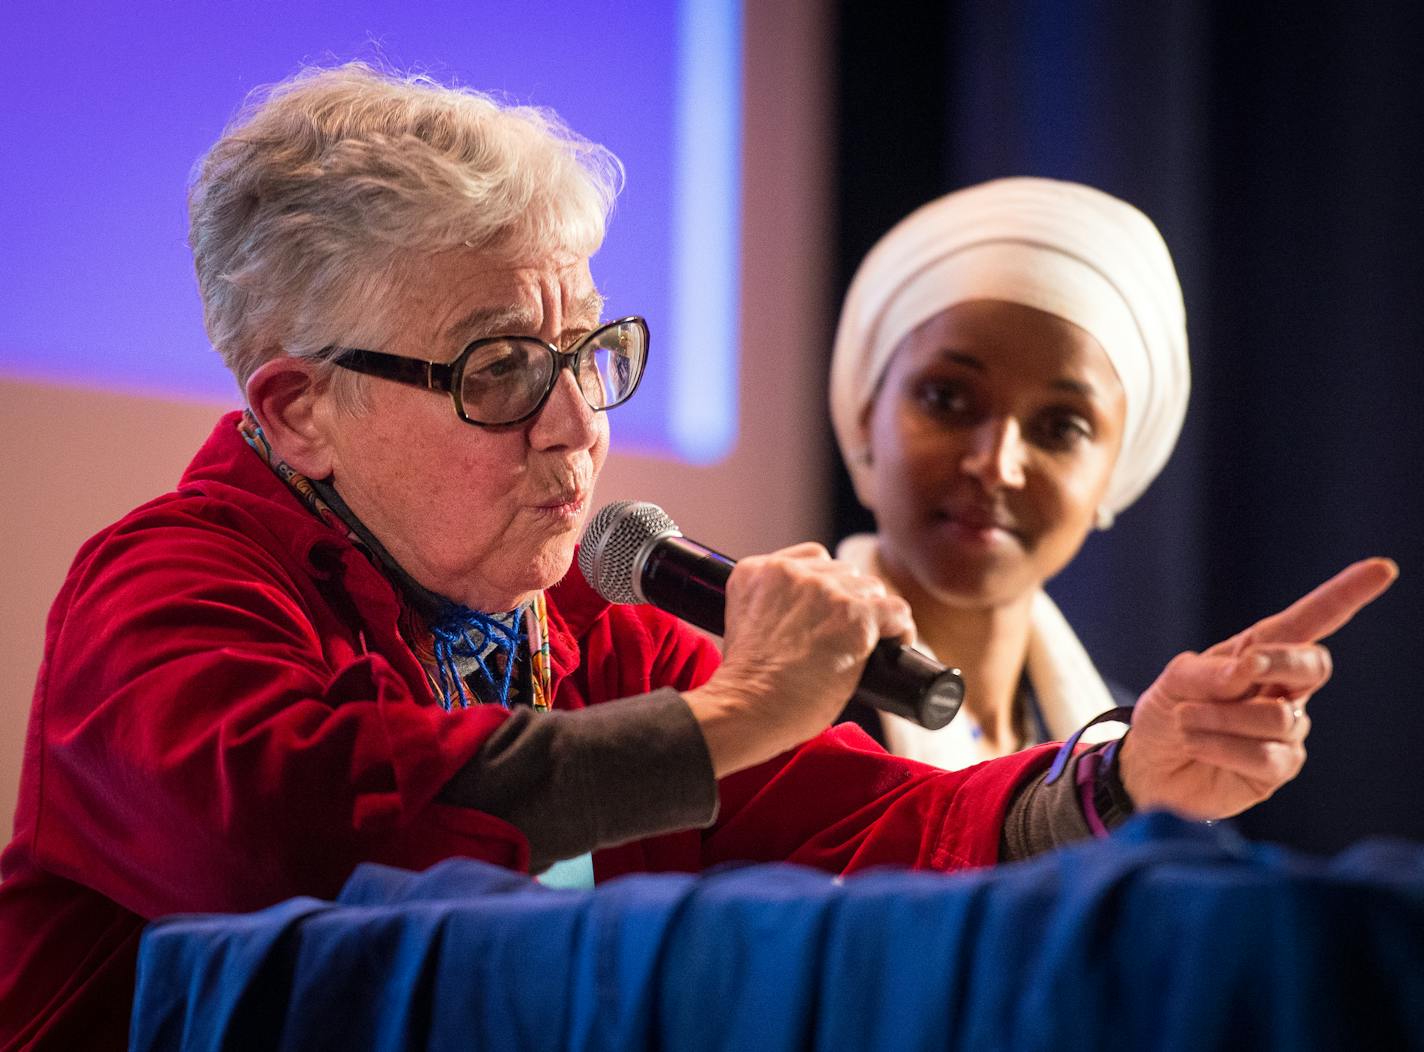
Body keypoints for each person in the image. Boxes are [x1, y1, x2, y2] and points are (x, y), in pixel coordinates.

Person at [0, 65, 1394, 1051]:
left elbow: (882, 827)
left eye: (588, 355)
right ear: (302, 410)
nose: (577, 427)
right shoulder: (164, 589)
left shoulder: (592, 633)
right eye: (501, 369)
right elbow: (294, 843)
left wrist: (1125, 772)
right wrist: (727, 716)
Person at [830, 177, 1189, 768]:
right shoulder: (764, 720)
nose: (996, 465)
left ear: (1116, 471)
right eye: (947, 398)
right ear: (867, 415)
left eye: (1061, 427)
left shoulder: (1131, 766)